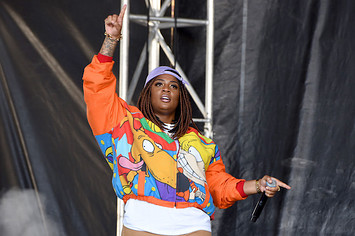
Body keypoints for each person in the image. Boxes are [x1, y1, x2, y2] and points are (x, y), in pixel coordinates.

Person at [82, 5, 291, 236]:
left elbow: (219, 188)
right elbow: (97, 89)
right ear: (147, 93)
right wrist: (111, 39)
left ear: (181, 97)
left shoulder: (202, 143)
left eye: (173, 86)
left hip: (193, 225)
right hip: (143, 222)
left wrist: (257, 185)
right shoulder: (125, 123)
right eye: (158, 84)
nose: (166, 89)